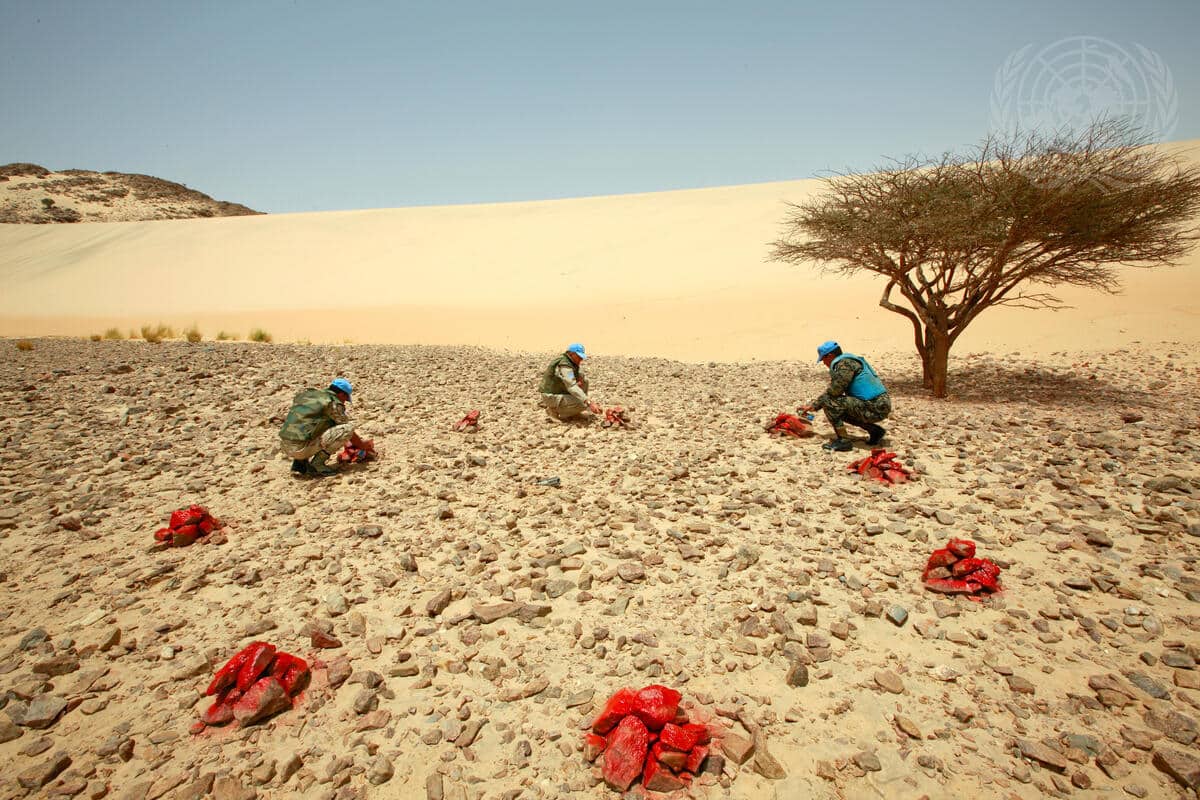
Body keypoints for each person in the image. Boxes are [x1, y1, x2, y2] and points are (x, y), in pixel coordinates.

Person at [799, 341, 891, 452]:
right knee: (839, 408)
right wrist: (813, 407)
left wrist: (814, 406)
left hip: (874, 406)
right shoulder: (849, 360)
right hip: (877, 405)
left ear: (830, 356)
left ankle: (843, 441)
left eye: (823, 359)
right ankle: (875, 431)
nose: (824, 363)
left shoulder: (845, 364)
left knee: (829, 402)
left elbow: (835, 391)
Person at [278, 378, 366, 476]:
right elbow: (346, 429)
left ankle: (299, 463)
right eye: (345, 399)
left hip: (285, 445)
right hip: (300, 449)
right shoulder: (332, 403)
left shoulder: (308, 395)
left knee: (316, 424)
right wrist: (363, 446)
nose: (344, 402)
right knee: (347, 429)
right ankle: (317, 465)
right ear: (342, 394)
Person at [538, 343, 602, 421]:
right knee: (583, 404)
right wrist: (589, 402)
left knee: (584, 381)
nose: (580, 359)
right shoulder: (564, 364)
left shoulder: (570, 361)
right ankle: (553, 411)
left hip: (558, 390)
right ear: (571, 354)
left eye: (581, 357)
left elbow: (577, 379)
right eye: (578, 357)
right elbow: (571, 386)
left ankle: (574, 412)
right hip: (551, 395)